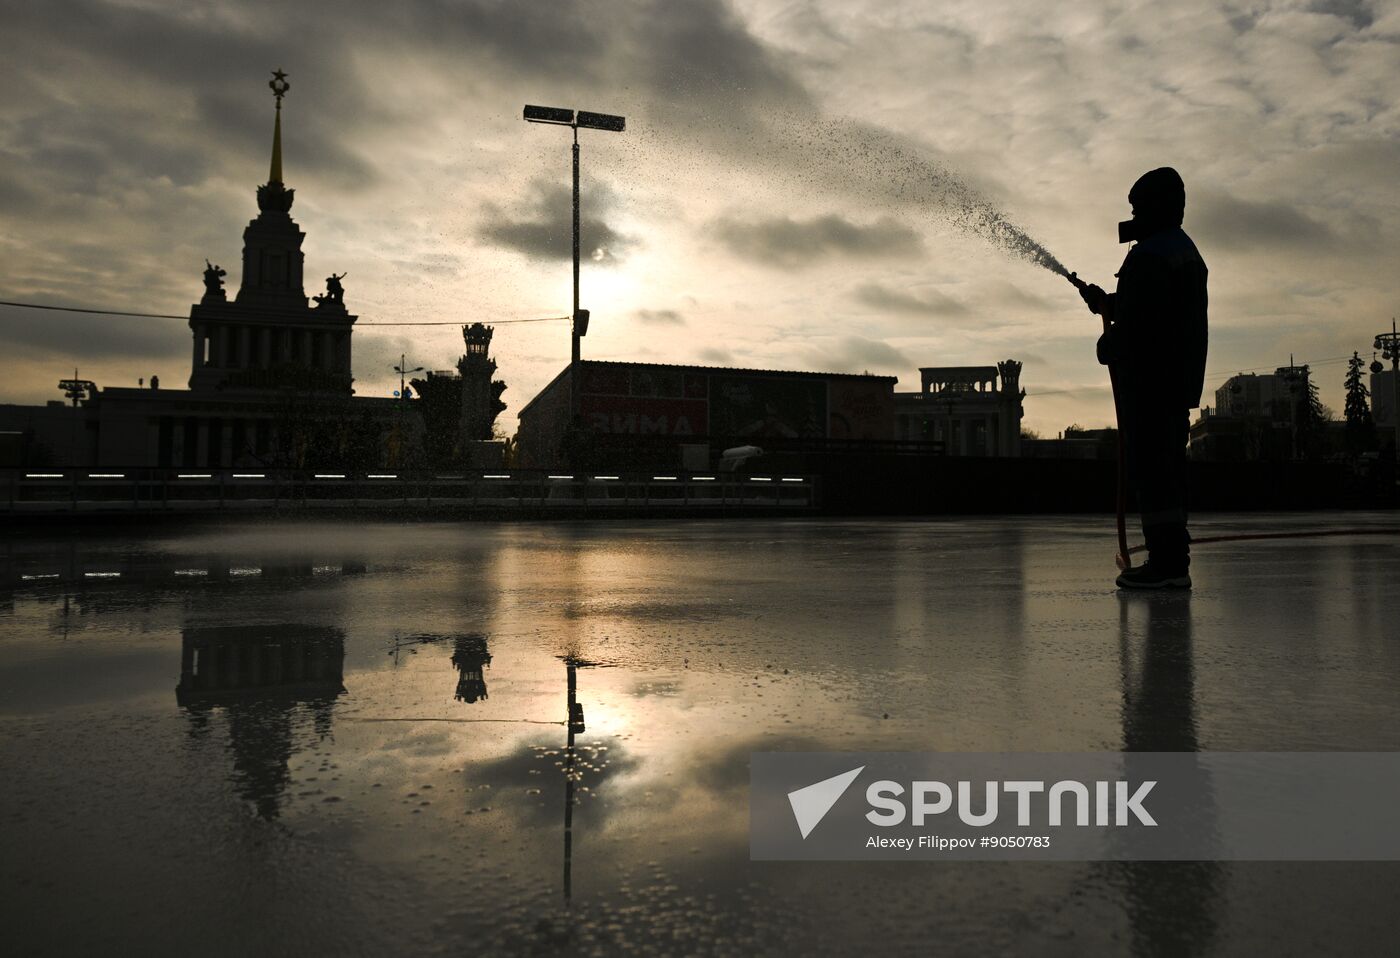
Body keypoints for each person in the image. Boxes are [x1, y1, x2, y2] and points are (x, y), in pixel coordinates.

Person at [1078, 167, 1208, 589]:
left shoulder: (1151, 254)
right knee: (1167, 470)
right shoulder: (1179, 249)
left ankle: (1167, 566)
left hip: (1153, 382)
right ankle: (1170, 560)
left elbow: (1144, 324)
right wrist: (1108, 303)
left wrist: (1109, 345)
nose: (1133, 216)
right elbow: (1157, 307)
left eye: (1137, 208)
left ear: (1157, 207)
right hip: (1173, 381)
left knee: (1154, 473)